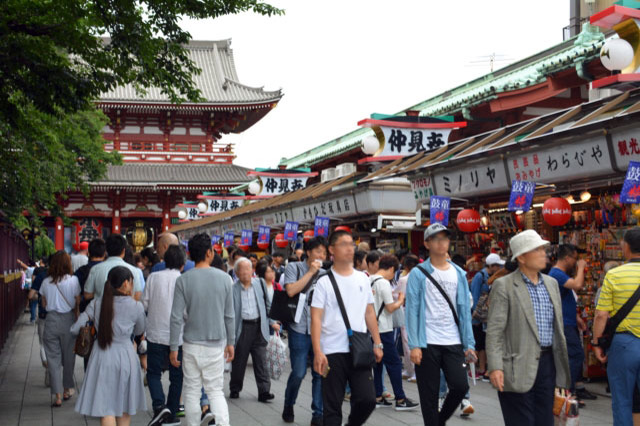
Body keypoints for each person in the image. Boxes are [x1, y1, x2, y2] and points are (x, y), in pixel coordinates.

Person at [486, 229, 570, 426]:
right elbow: (495, 331)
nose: (544, 253)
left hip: (548, 363)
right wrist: (495, 367)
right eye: (538, 249)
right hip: (516, 364)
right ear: (522, 257)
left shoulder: (551, 283)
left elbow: (557, 327)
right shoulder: (504, 285)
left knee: (545, 420)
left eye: (544, 249)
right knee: (520, 420)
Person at [405, 223, 476, 426]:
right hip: (427, 341)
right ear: (427, 244)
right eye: (436, 239)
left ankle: (439, 420)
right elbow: (412, 310)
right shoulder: (418, 273)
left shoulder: (459, 273)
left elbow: (464, 311)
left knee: (460, 386)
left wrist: (469, 343)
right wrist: (414, 345)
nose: (441, 242)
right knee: (429, 394)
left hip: (453, 339)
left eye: (444, 238)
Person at [311, 230, 383, 426]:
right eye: (344, 244)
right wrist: (318, 351)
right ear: (332, 250)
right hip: (332, 350)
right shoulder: (323, 282)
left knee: (367, 399)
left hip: (359, 348)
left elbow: (369, 312)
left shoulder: (362, 279)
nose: (350, 248)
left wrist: (377, 343)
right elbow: (316, 318)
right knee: (332, 406)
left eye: (352, 244)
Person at [169, 233, 235, 426]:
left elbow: (175, 317)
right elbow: (229, 315)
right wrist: (231, 342)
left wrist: (174, 347)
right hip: (215, 343)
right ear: (209, 253)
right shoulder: (225, 279)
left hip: (190, 344)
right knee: (215, 391)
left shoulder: (183, 280)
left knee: (191, 390)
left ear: (190, 254)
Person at [72, 266, 147, 425]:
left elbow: (75, 327)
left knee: (106, 407)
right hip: (126, 356)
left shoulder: (97, 303)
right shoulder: (136, 306)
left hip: (101, 355)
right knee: (125, 405)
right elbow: (140, 329)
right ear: (126, 283)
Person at [593, 227, 640, 426]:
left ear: (626, 246)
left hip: (624, 344)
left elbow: (601, 314)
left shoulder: (614, 275)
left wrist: (596, 342)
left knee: (622, 399)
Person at [281, 237, 328, 425]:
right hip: (299, 327)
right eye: (318, 252)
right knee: (299, 372)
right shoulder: (294, 268)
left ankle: (318, 413)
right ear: (308, 252)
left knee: (319, 373)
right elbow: (291, 291)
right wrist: (310, 272)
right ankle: (289, 403)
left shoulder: (326, 274)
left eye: (324, 253)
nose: (322, 256)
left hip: (321, 330)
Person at [143, 245, 186, 426]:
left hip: (155, 333)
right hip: (178, 336)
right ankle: (172, 410)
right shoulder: (184, 280)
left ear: (164, 261)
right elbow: (186, 312)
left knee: (153, 373)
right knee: (177, 375)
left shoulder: (153, 277)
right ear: (182, 264)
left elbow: (144, 304)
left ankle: (160, 406)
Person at [548, 244, 597, 403]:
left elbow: (564, 298)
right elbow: (577, 285)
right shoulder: (557, 273)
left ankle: (568, 390)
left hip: (569, 321)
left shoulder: (560, 274)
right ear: (567, 258)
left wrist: (577, 318)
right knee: (575, 355)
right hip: (563, 324)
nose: (576, 262)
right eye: (575, 259)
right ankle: (567, 390)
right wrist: (581, 268)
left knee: (572, 355)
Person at [370, 254, 419, 411]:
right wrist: (400, 300)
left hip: (371, 328)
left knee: (378, 364)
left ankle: (378, 395)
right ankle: (400, 398)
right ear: (391, 268)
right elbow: (390, 307)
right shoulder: (383, 283)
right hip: (383, 328)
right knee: (394, 363)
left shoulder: (369, 279)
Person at [229, 258, 276, 402]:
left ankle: (264, 391)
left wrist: (272, 321)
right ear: (236, 273)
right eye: (241, 270)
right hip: (242, 328)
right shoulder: (233, 289)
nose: (245, 273)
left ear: (252, 270)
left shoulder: (260, 283)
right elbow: (230, 313)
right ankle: (235, 388)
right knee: (239, 361)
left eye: (247, 269)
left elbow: (268, 305)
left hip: (259, 327)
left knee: (261, 361)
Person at [39, 250, 81, 406]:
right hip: (68, 320)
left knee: (53, 359)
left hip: (51, 321)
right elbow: (77, 301)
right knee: (69, 358)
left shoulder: (45, 282)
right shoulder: (74, 280)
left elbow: (43, 304)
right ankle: (67, 389)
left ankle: (57, 396)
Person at [469, 253, 504, 380]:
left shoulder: (493, 277)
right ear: (492, 266)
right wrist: (476, 316)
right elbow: (474, 295)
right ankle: (480, 368)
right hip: (479, 315)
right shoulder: (480, 276)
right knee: (480, 343)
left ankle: (484, 368)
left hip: (487, 315)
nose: (500, 268)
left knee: (484, 341)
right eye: (498, 265)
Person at [84, 234, 143, 302]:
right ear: (123, 251)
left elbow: (87, 295)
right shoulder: (134, 270)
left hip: (102, 310)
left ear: (106, 251)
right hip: (126, 311)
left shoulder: (95, 269)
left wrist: (100, 293)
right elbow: (137, 295)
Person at [396, 254, 420, 382]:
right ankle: (411, 370)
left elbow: (397, 294)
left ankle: (413, 370)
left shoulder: (404, 279)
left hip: (407, 310)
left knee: (407, 341)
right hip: (419, 311)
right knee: (413, 340)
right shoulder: (422, 277)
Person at [29, 257, 50, 386]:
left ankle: (46, 364)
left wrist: (40, 297)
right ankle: (54, 370)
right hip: (62, 317)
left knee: (43, 343)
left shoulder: (42, 276)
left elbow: (30, 295)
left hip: (44, 315)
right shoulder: (68, 277)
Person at [75, 238, 106, 313]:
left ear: (88, 253)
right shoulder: (108, 270)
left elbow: (76, 293)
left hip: (85, 309)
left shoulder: (80, 271)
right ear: (104, 253)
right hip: (104, 309)